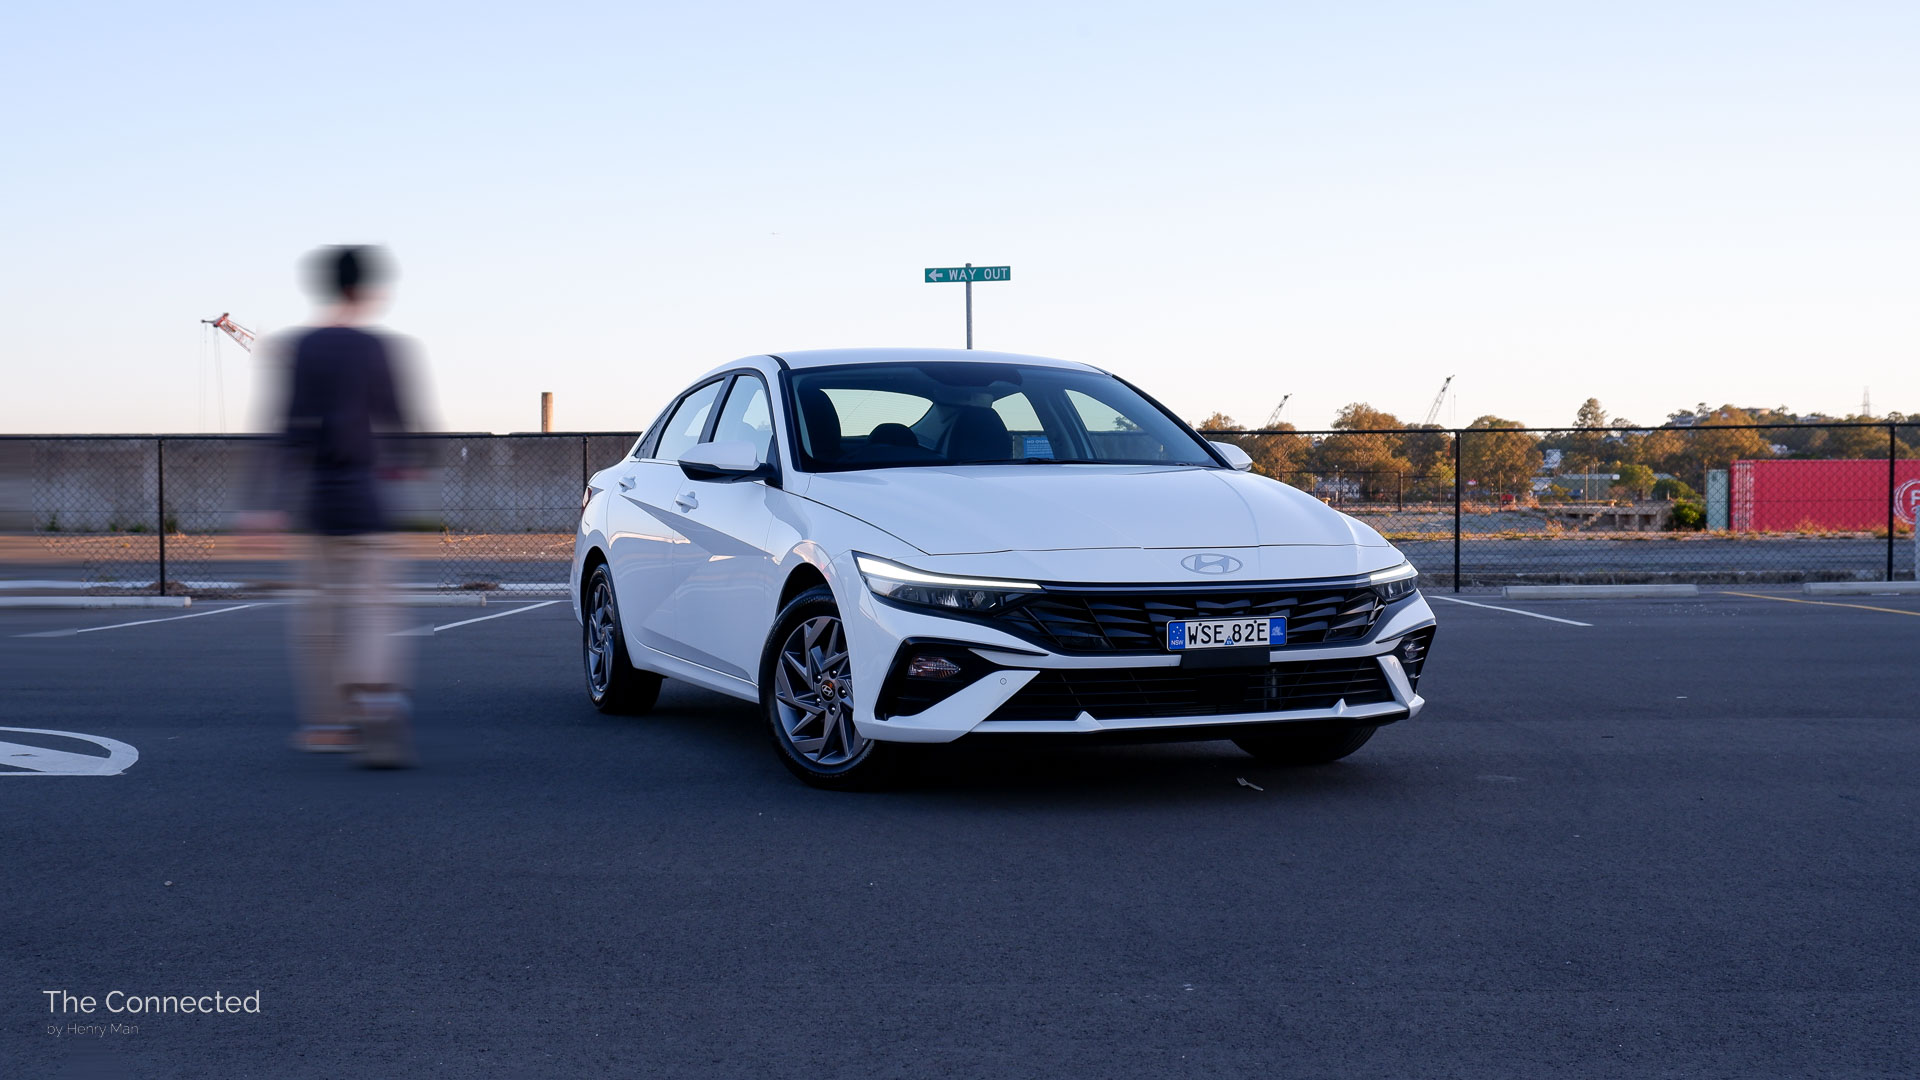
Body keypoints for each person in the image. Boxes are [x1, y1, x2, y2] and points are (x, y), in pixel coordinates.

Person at [253, 245, 421, 768]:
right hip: (367, 501)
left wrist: (268, 504)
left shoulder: (301, 348)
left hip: (319, 504)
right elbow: (401, 420)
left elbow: (287, 427)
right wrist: (403, 466)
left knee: (321, 618)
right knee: (370, 609)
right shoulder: (379, 348)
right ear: (366, 290)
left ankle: (327, 723)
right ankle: (378, 700)